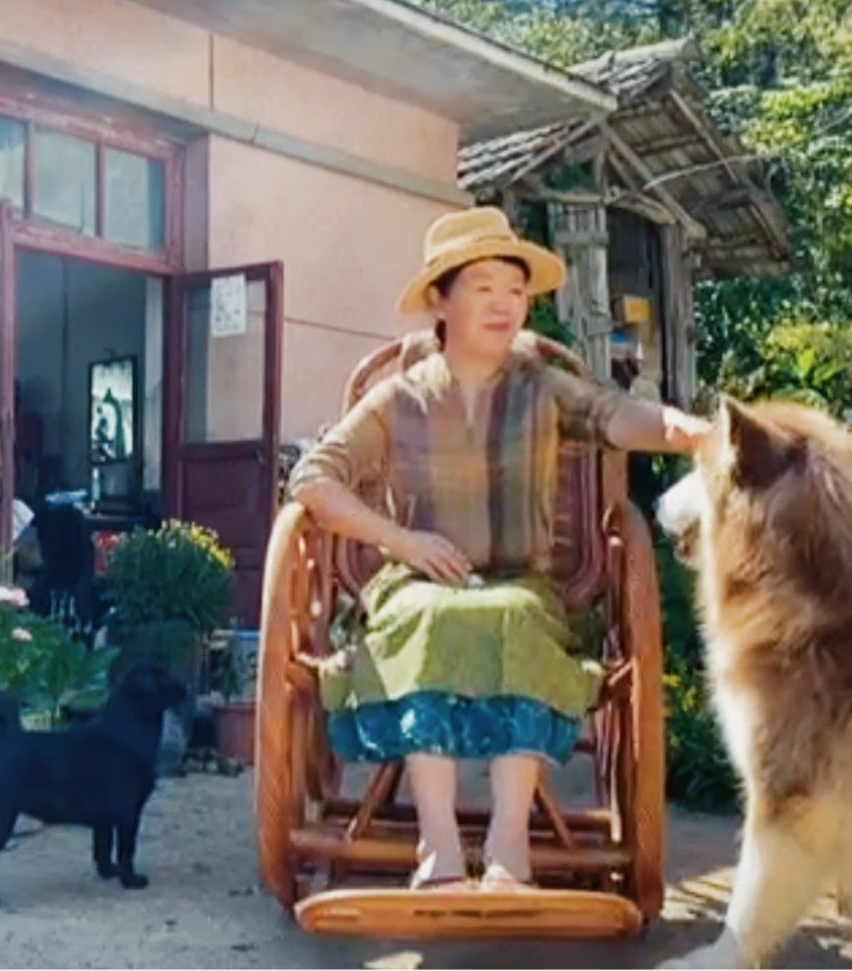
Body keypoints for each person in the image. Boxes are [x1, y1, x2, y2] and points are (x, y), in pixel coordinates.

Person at [286, 207, 710, 893]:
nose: (504, 303)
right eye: (482, 286)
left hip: (523, 583)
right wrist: (402, 542)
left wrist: (687, 430)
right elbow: (312, 477)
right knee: (426, 616)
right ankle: (439, 844)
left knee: (512, 613)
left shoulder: (542, 385)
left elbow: (613, 415)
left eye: (515, 290)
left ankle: (509, 841)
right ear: (439, 300)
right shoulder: (398, 398)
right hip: (416, 583)